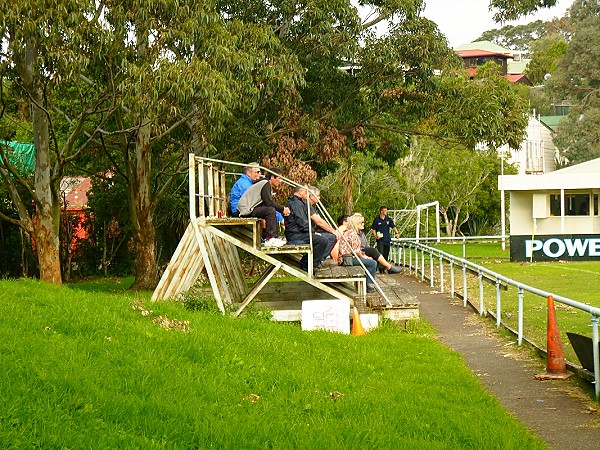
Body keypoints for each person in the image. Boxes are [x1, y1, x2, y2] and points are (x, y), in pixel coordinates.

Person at [284, 185, 338, 271]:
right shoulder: (296, 204)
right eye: (306, 192)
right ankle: (311, 265)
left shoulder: (300, 202)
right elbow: (302, 222)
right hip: (295, 235)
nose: (308, 194)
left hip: (300, 233)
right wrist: (312, 233)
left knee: (327, 238)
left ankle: (311, 262)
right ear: (301, 192)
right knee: (322, 240)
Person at [237, 168, 290, 246]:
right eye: (279, 178)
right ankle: (271, 238)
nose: (280, 181)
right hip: (246, 209)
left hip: (249, 208)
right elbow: (268, 202)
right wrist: (282, 209)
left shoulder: (265, 184)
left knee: (270, 211)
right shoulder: (265, 183)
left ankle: (273, 237)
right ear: (272, 177)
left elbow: (265, 203)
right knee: (270, 210)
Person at [337, 214, 378, 293]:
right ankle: (370, 286)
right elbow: (356, 251)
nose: (363, 224)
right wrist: (364, 257)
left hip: (347, 258)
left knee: (369, 261)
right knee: (372, 263)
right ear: (356, 223)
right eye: (361, 222)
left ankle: (368, 284)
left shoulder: (350, 232)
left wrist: (364, 256)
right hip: (348, 259)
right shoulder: (353, 234)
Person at [370, 206, 400, 273]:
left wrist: (397, 233)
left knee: (386, 254)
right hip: (380, 240)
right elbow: (373, 229)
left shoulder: (388, 219)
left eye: (386, 210)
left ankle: (384, 268)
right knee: (381, 254)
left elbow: (393, 227)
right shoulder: (377, 220)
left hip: (387, 239)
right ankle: (380, 269)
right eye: (384, 210)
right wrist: (375, 236)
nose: (386, 212)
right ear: (381, 211)